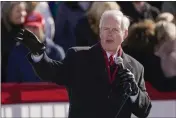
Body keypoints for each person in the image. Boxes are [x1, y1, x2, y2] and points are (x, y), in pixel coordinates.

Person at [15, 10, 151, 118]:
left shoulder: (136, 67)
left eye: (115, 30)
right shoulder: (78, 56)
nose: (109, 34)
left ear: (125, 33)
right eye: (105, 29)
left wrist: (134, 92)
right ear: (99, 31)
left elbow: (144, 111)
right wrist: (38, 54)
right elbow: (52, 72)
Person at [7, 12, 65, 82]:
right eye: (28, 27)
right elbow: (11, 84)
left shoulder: (56, 52)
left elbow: (63, 83)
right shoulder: (16, 53)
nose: (31, 32)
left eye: (35, 27)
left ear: (43, 29)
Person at [1, 2, 27, 82]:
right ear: (8, 13)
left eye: (24, 10)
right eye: (18, 11)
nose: (22, 14)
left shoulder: (27, 29)